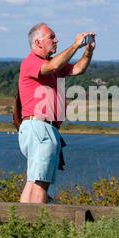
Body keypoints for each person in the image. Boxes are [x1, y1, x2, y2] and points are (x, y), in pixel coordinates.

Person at [18, 23, 95, 203]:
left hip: (43, 129)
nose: (56, 40)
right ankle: (35, 227)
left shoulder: (51, 65)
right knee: (40, 184)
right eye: (51, 37)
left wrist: (88, 51)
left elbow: (77, 69)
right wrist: (76, 45)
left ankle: (21, 225)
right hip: (40, 128)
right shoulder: (32, 62)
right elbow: (52, 66)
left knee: (33, 183)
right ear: (38, 42)